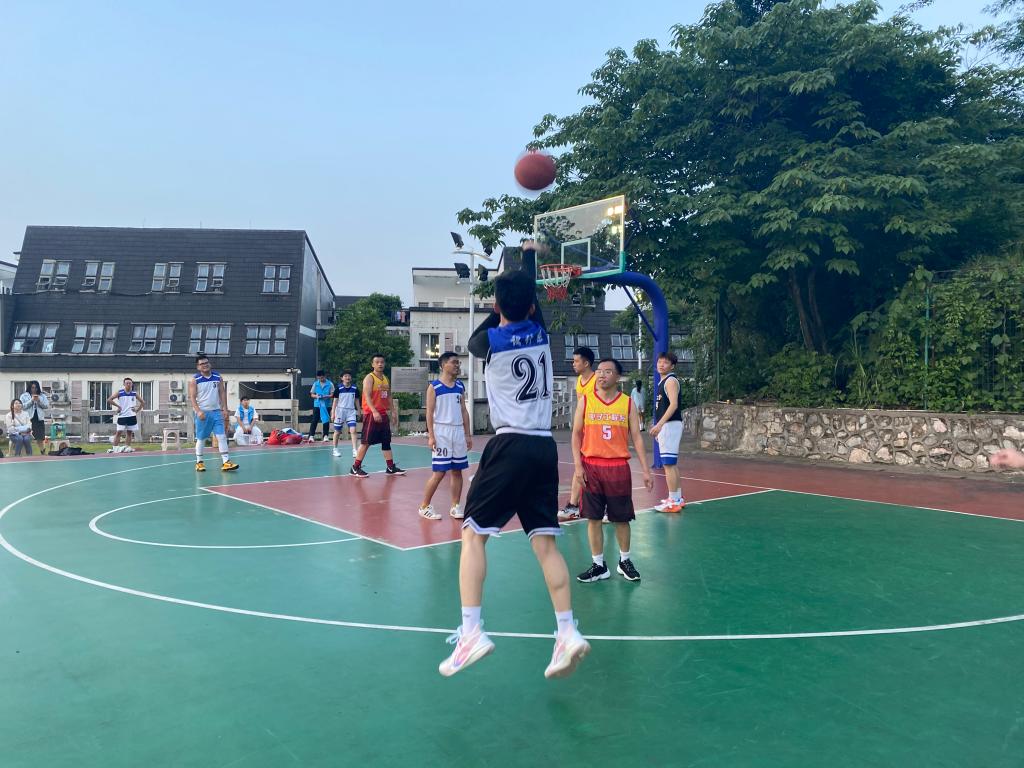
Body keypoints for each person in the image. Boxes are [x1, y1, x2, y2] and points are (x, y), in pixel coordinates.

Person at [439, 261, 590, 680]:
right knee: (545, 545)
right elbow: (528, 305)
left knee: (472, 535)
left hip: (510, 444)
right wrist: (528, 265)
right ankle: (567, 631)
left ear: (496, 306)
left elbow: (477, 337)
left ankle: (471, 632)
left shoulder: (488, 341)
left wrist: (503, 302)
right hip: (544, 447)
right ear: (533, 305)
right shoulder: (541, 334)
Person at [572, 358, 653, 584]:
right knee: (593, 518)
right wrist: (578, 465)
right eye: (599, 371)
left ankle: (624, 561)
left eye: (607, 372)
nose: (601, 375)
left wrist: (646, 470)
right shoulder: (586, 401)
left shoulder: (627, 403)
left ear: (618, 377)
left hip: (617, 467)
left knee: (621, 518)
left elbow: (637, 438)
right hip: (591, 466)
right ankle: (599, 565)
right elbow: (576, 434)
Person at [419, 352, 472, 520]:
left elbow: (464, 411)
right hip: (441, 432)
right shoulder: (434, 387)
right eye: (454, 362)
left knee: (457, 470)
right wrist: (431, 436)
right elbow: (429, 413)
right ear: (443, 365)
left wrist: (467, 434)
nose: (457, 365)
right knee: (440, 472)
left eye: (458, 363)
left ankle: (455, 506)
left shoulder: (460, 386)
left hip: (458, 432)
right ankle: (424, 506)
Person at [558, 346, 597, 521]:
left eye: (576, 361)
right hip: (585, 431)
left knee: (598, 469)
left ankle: (604, 506)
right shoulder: (580, 380)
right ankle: (573, 506)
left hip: (597, 431)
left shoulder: (597, 381)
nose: (573, 364)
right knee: (579, 467)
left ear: (586, 363)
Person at [350, 355, 405, 477]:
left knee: (386, 441)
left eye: (382, 362)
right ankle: (355, 467)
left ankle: (390, 467)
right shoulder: (369, 378)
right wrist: (374, 411)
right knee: (366, 442)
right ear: (372, 364)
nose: (380, 364)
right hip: (371, 414)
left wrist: (393, 411)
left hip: (383, 414)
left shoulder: (385, 378)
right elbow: (367, 396)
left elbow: (388, 396)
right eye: (377, 362)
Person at [189, 354, 239, 472]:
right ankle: (199, 462)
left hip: (217, 412)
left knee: (221, 436)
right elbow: (192, 397)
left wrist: (225, 409)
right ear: (198, 367)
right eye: (202, 364)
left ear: (209, 364)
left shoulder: (217, 377)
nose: (205, 365)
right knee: (201, 438)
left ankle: (226, 462)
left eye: (206, 363)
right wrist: (198, 411)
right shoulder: (195, 380)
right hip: (203, 413)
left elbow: (222, 392)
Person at [650, 352, 685, 512]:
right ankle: (677, 498)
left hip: (670, 425)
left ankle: (673, 501)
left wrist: (659, 425)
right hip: (670, 425)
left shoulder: (670, 381)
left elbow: (673, 405)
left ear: (672, 366)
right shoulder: (663, 381)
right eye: (659, 362)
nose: (661, 365)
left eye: (665, 362)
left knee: (668, 465)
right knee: (671, 464)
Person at [107, 377, 146, 453]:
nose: (128, 384)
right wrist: (118, 407)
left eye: (130, 383)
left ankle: (127, 447)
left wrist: (137, 410)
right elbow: (109, 399)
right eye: (127, 383)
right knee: (119, 432)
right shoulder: (120, 392)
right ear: (124, 384)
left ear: (132, 384)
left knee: (129, 432)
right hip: (122, 416)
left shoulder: (134, 393)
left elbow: (143, 402)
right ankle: (115, 448)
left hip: (131, 416)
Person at [332, 372, 360, 458]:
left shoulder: (355, 388)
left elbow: (357, 401)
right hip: (340, 411)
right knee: (337, 431)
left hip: (351, 411)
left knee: (353, 430)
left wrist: (359, 411)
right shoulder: (338, 388)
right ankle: (335, 449)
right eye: (345, 376)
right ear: (342, 378)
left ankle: (355, 450)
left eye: (349, 376)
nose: (347, 377)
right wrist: (333, 413)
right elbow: (335, 401)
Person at [19, 381, 50, 453]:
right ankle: (24, 453)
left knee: (40, 437)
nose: (34, 389)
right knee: (25, 437)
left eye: (36, 388)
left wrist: (39, 400)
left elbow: (46, 406)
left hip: (39, 418)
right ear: (29, 387)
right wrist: (31, 400)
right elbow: (22, 406)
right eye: (32, 387)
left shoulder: (42, 396)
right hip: (28, 419)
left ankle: (42, 451)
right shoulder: (24, 396)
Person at [309, 370, 334, 441]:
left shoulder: (330, 384)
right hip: (317, 405)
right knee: (315, 420)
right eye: (319, 378)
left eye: (322, 378)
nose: (320, 379)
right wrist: (316, 396)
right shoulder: (315, 384)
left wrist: (326, 396)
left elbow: (332, 394)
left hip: (327, 405)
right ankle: (311, 436)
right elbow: (312, 394)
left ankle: (325, 435)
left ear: (325, 376)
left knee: (326, 420)